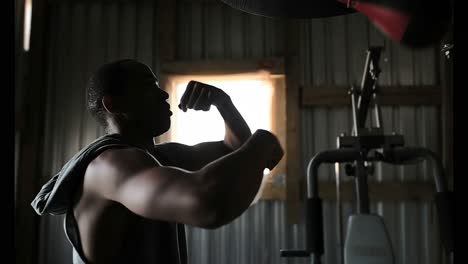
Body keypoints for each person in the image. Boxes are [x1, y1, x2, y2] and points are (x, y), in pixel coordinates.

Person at [31, 59, 284, 264]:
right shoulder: (109, 165)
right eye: (148, 86)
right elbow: (207, 204)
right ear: (113, 104)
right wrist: (264, 141)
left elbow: (235, 149)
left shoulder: (158, 157)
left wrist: (223, 103)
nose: (163, 93)